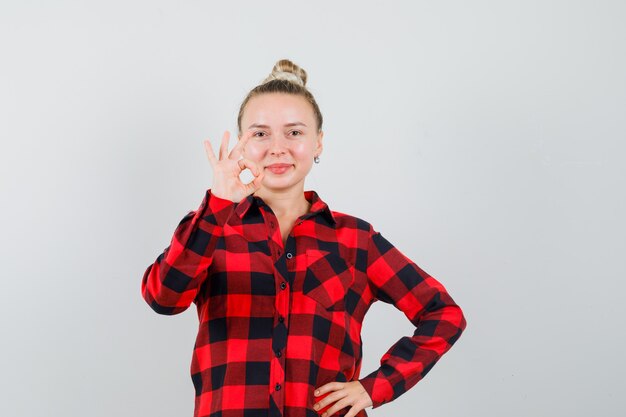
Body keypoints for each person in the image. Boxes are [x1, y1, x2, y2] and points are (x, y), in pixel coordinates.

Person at [141, 58, 467, 417]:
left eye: (294, 132)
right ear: (242, 145)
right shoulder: (210, 228)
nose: (277, 147)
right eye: (260, 133)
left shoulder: (356, 240)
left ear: (318, 143)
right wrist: (218, 203)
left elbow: (443, 313)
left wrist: (374, 387)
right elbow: (163, 298)